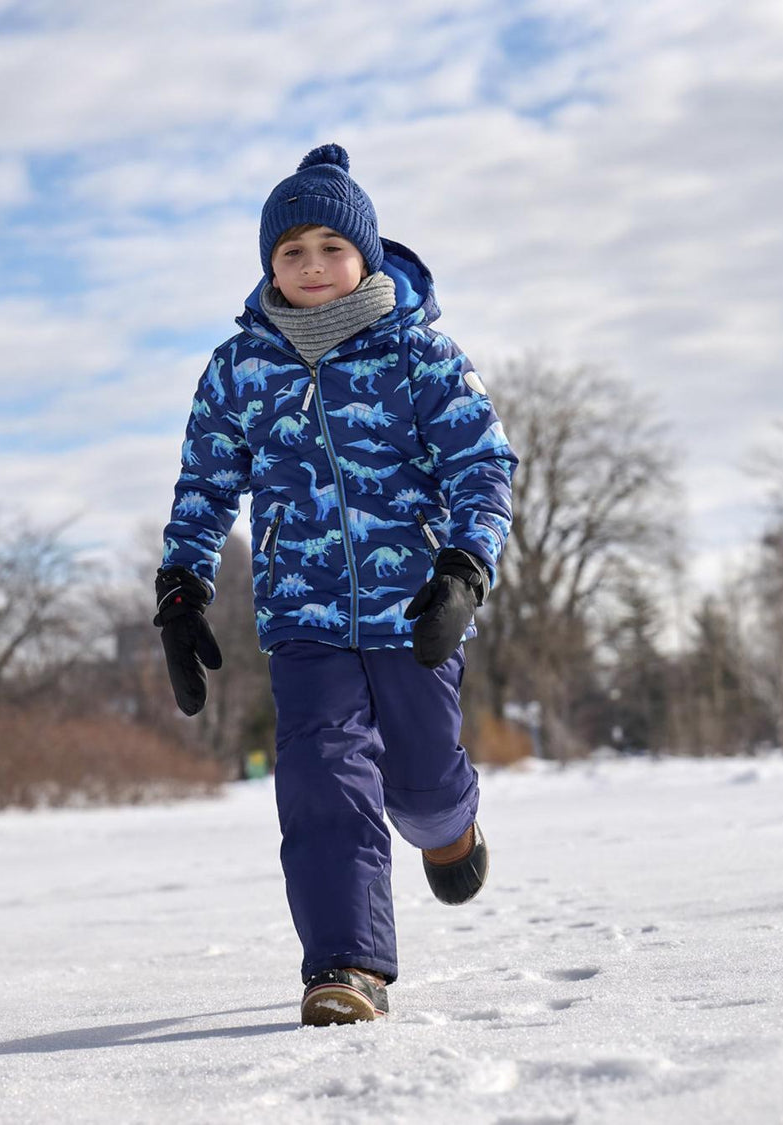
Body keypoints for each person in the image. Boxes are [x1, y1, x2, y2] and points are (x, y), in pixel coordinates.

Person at [155, 144, 517, 1026]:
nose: (312, 265)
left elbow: (481, 465)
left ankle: (449, 824)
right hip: (302, 614)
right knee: (322, 774)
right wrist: (182, 585)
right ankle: (347, 965)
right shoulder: (240, 369)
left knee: (421, 780)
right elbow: (205, 484)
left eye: (331, 247)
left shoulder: (420, 354)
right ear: (269, 264)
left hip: (412, 607)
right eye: (291, 251)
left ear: (366, 253)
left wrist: (465, 566)